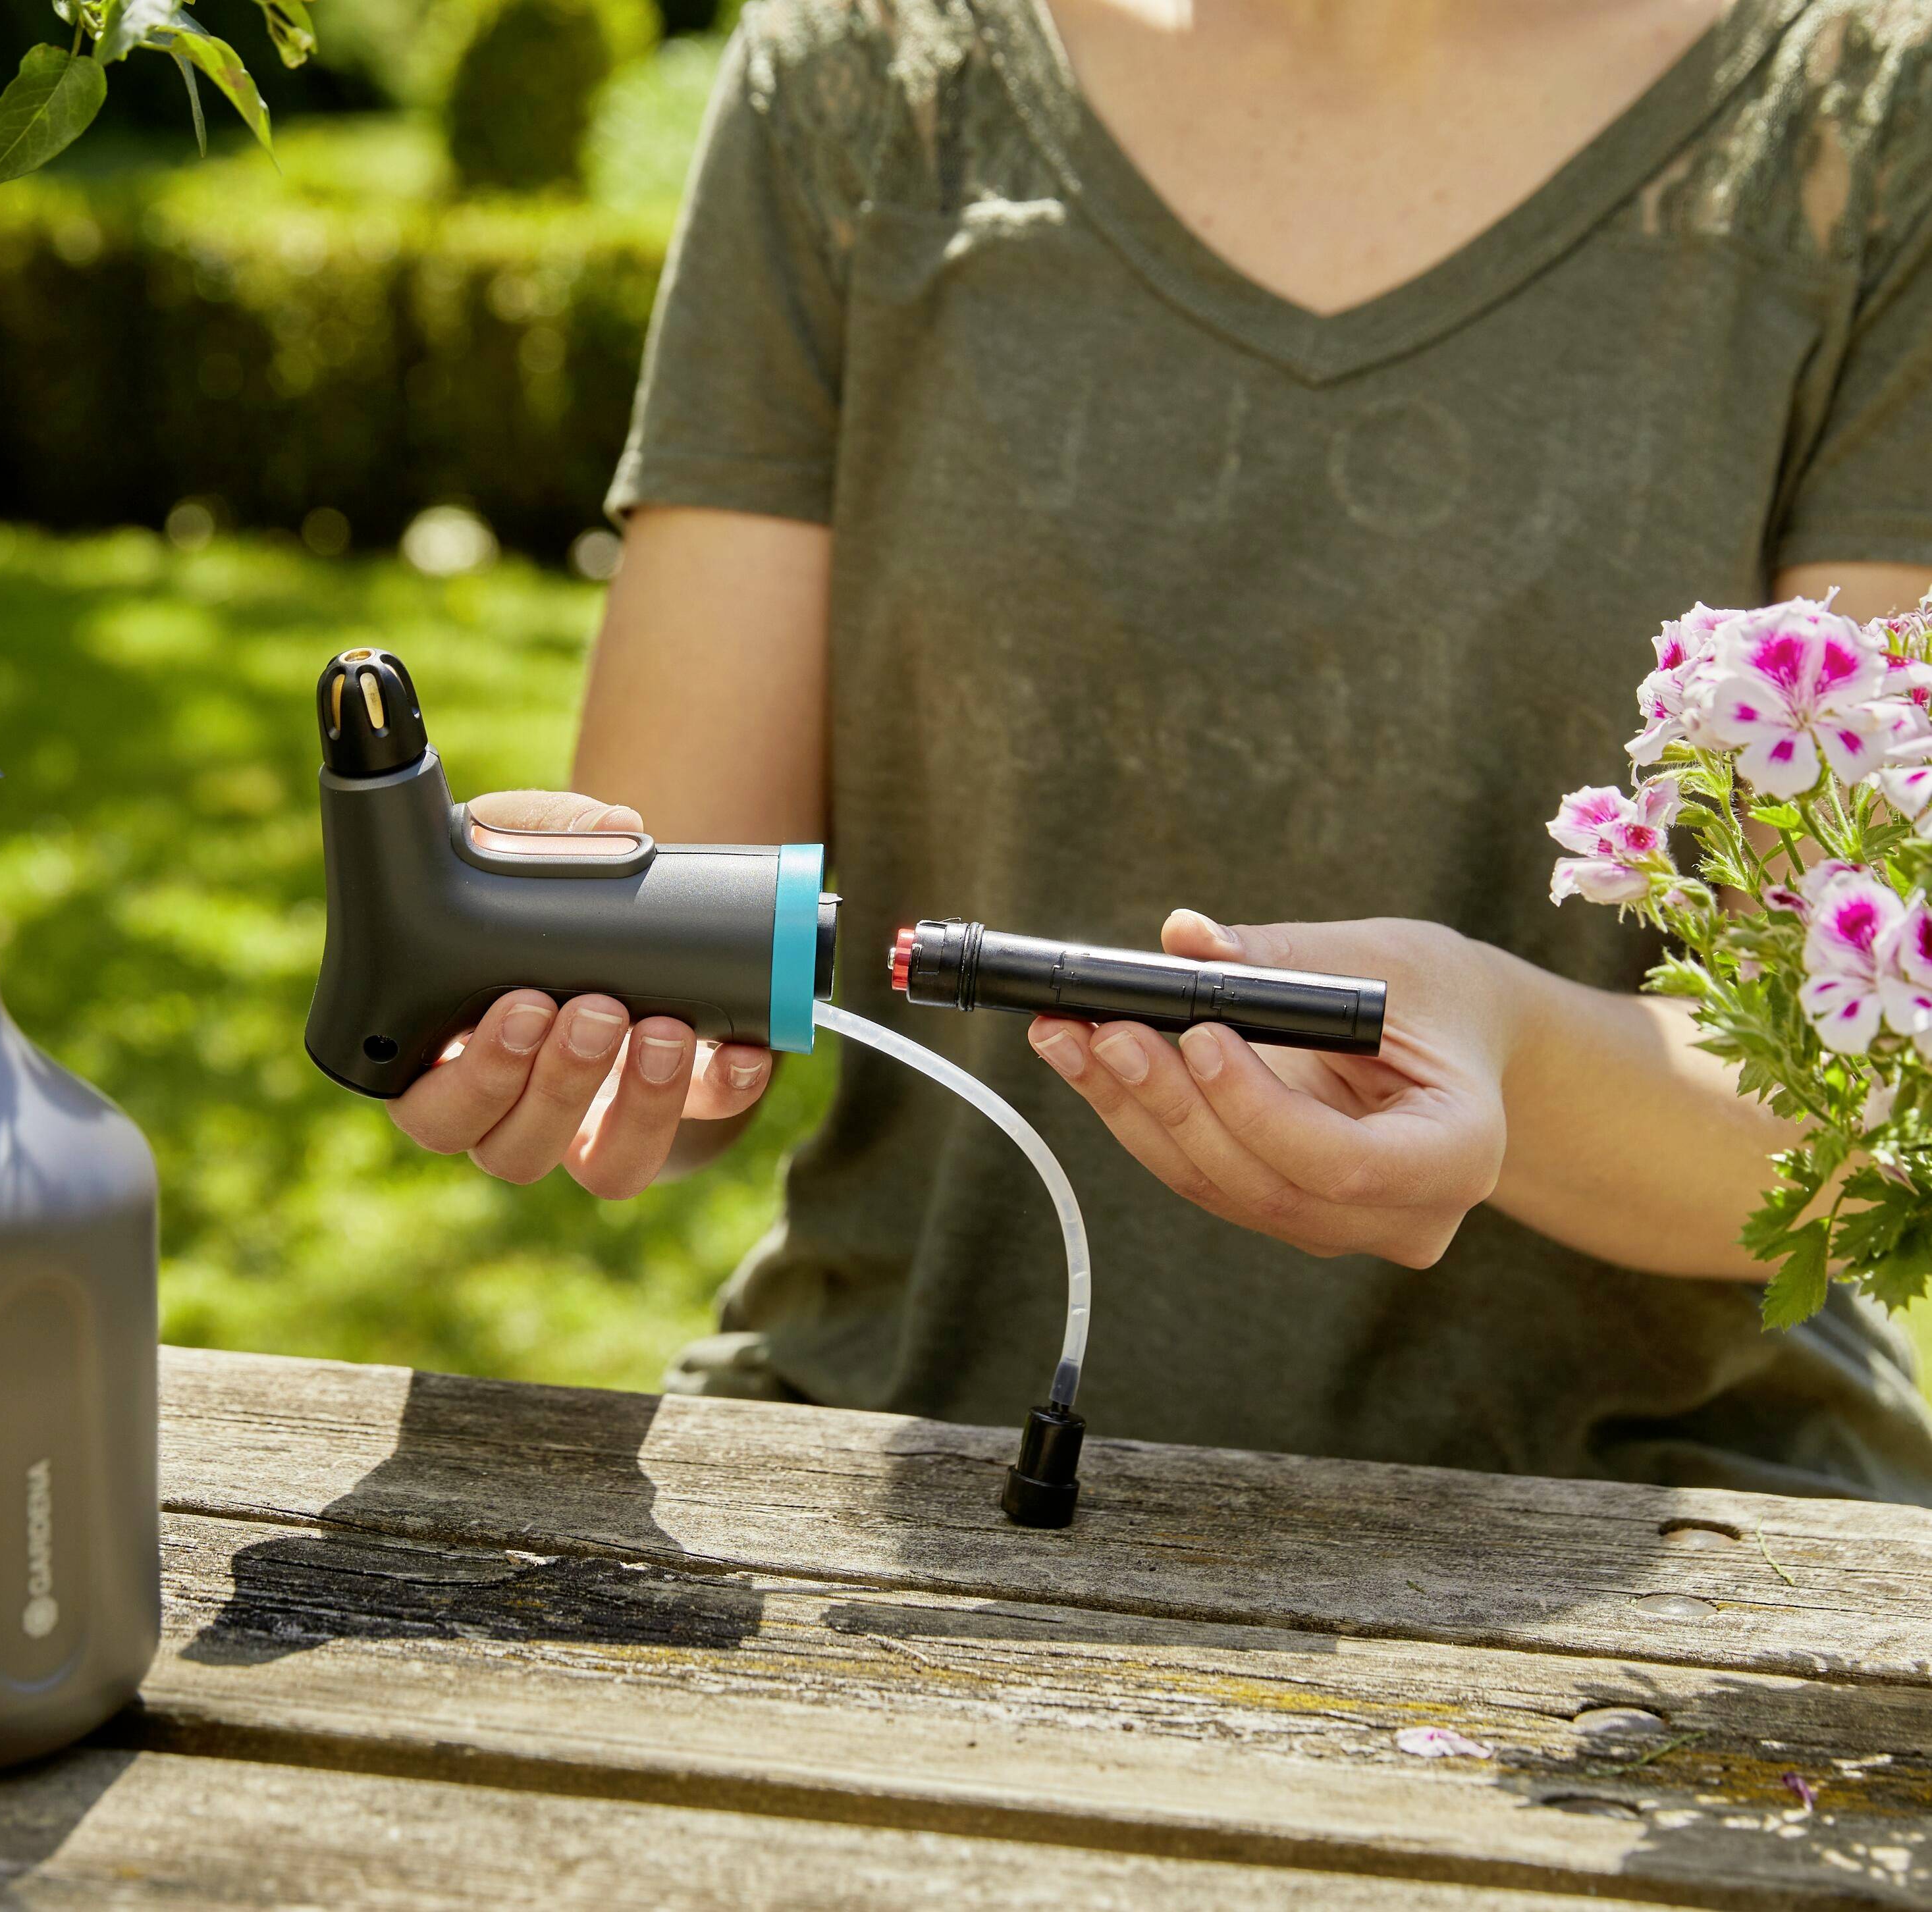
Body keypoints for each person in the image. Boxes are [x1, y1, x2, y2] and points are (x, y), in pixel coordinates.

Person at [389, 0, 1932, 1499]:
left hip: (1662, 1546)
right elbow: (679, 1013)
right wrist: (567, 983)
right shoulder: (866, 76)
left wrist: (1508, 1059)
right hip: (891, 1477)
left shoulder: (1869, 118)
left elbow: (1854, 1124)